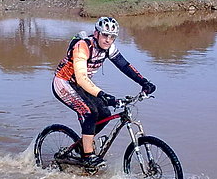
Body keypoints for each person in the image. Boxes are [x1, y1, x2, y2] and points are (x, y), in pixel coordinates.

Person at [52, 17, 156, 168]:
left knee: (106, 114)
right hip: (64, 82)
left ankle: (84, 143)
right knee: (89, 112)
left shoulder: (109, 48)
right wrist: (102, 94)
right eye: (105, 35)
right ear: (96, 33)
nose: (108, 40)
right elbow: (81, 78)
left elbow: (125, 66)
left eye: (112, 37)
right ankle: (88, 155)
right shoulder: (83, 46)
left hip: (82, 85)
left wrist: (144, 82)